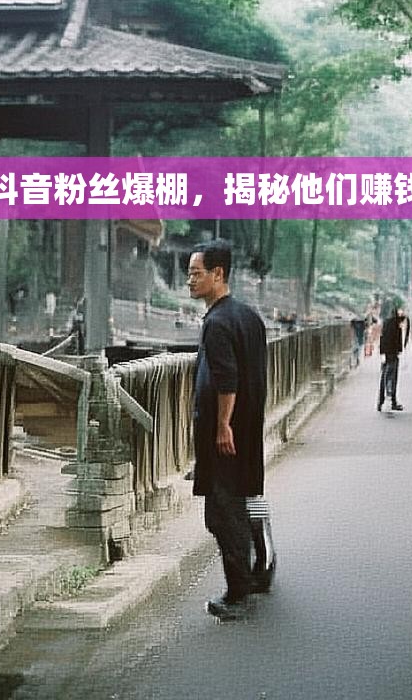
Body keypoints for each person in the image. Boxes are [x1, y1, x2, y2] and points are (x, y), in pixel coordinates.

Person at [188, 240, 273, 621]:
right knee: (244, 497)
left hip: (228, 434)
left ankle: (237, 594)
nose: (190, 281)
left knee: (223, 514)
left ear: (218, 274)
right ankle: (260, 571)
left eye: (196, 273)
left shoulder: (218, 323)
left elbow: (227, 379)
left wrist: (222, 424)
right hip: (249, 427)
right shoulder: (249, 317)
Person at [378, 305, 411, 412]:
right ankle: (390, 399)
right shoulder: (393, 323)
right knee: (390, 376)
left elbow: (382, 338)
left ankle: (383, 401)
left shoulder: (390, 322)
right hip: (391, 353)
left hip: (389, 353)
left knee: (386, 376)